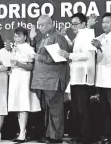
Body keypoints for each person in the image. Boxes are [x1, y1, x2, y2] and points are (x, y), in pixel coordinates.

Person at [57, 13, 97, 144]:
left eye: (75, 24)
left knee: (83, 109)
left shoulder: (88, 34)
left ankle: (87, 138)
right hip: (76, 76)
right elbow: (73, 47)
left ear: (84, 24)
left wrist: (69, 55)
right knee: (77, 109)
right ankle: (80, 136)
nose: (73, 26)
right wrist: (64, 37)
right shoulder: (80, 35)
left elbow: (87, 55)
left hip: (83, 77)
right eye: (72, 24)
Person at [30, 14, 69, 143]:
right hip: (43, 80)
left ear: (50, 24)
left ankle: (56, 137)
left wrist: (40, 58)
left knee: (55, 109)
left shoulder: (58, 37)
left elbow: (61, 58)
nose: (39, 28)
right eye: (38, 25)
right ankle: (49, 134)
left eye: (41, 25)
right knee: (48, 109)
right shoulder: (44, 38)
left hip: (53, 80)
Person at [91, 13, 111, 144]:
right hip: (101, 77)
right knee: (104, 109)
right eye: (103, 22)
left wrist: (101, 46)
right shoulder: (103, 37)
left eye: (107, 22)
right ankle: (107, 134)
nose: (104, 24)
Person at [7, 27, 41, 143]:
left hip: (24, 77)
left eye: (19, 36)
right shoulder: (13, 48)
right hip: (14, 76)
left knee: (23, 104)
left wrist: (18, 64)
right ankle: (22, 131)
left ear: (25, 37)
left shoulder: (28, 48)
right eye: (15, 36)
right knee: (17, 105)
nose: (17, 38)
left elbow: (31, 66)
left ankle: (22, 132)